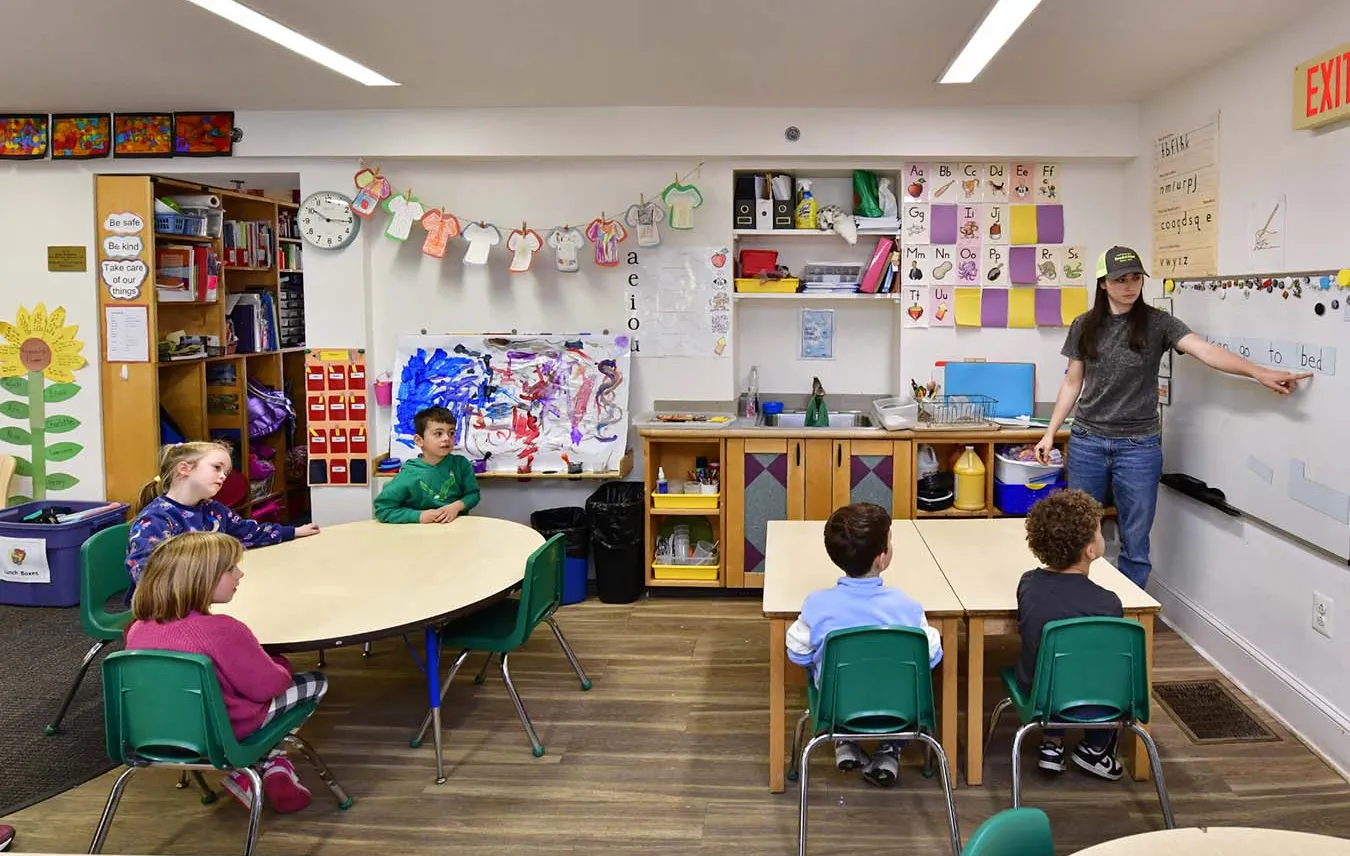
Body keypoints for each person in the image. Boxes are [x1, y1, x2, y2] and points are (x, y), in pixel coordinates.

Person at [1034, 246, 1310, 588]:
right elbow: (1072, 383)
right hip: (1088, 441)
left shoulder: (1158, 323)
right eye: (1120, 280)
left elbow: (1205, 351)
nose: (1130, 286)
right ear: (1103, 283)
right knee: (1079, 537)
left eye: (1135, 278)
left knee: (1135, 540)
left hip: (1138, 447)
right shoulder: (1084, 325)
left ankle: (1128, 614)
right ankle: (1080, 606)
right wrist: (1050, 433)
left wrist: (1259, 372)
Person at [126, 530, 327, 813]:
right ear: (202, 579)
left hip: (158, 735)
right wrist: (280, 662)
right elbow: (268, 686)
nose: (240, 574)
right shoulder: (222, 630)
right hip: (224, 733)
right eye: (230, 568)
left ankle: (263, 768)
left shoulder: (137, 629)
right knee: (316, 682)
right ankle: (267, 762)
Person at [786, 502, 942, 787]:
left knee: (839, 682)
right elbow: (930, 654)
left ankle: (845, 740)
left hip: (837, 707)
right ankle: (889, 752)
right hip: (900, 709)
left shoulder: (818, 606)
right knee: (898, 687)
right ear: (882, 559)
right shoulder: (907, 607)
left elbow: (797, 652)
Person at [1017, 488, 1128, 780]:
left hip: (1040, 696)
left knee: (1053, 662)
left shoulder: (1028, 584)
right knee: (1106, 670)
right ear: (1091, 550)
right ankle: (1096, 749)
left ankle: (1052, 744)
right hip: (1091, 699)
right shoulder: (1109, 603)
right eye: (1099, 531)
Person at [126, 441, 319, 590]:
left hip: (207, 593)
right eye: (217, 468)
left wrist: (293, 531)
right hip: (169, 607)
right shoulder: (155, 519)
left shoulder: (213, 510)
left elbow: (248, 532)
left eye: (225, 472)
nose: (223, 476)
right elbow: (146, 574)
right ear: (184, 469)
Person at [373, 406, 481, 524]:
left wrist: (456, 507)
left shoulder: (461, 464)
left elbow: (473, 495)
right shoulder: (410, 472)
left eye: (451, 433)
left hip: (455, 528)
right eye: (438, 433)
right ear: (419, 440)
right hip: (419, 531)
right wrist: (418, 516)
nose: (447, 438)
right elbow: (383, 509)